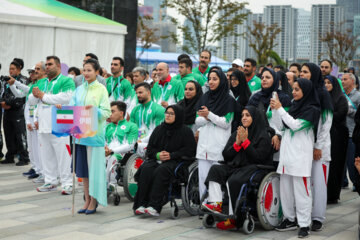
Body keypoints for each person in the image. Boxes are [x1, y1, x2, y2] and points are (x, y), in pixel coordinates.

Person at [202, 106, 273, 230]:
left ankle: (233, 218)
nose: (244, 118)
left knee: (233, 180)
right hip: (236, 166)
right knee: (215, 170)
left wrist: (245, 142)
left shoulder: (263, 135)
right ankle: (216, 204)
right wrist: (237, 144)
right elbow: (226, 155)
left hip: (254, 168)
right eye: (242, 115)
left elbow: (258, 158)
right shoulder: (237, 132)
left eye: (248, 115)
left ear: (255, 117)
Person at [271, 78, 320, 238]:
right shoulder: (293, 106)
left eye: (297, 89)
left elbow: (296, 125)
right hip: (286, 157)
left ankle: (304, 224)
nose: (293, 92)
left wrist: (280, 109)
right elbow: (281, 126)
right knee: (286, 191)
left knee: (302, 192)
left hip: (300, 158)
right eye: (293, 89)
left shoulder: (312, 109)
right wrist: (275, 110)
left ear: (305, 91)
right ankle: (289, 218)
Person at [133, 105, 196, 216]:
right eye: (167, 113)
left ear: (178, 116)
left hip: (176, 161)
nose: (168, 115)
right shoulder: (159, 129)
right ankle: (141, 204)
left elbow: (190, 151)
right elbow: (150, 148)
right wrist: (157, 155)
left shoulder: (186, 131)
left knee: (162, 170)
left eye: (172, 114)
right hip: (158, 160)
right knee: (146, 169)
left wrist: (171, 155)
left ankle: (154, 205)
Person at [68, 58, 111, 214]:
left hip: (94, 137)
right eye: (84, 70)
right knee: (84, 171)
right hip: (80, 135)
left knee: (94, 171)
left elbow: (107, 112)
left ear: (97, 72)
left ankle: (94, 201)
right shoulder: (79, 89)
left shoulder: (101, 89)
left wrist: (94, 109)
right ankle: (86, 200)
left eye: (89, 70)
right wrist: (63, 108)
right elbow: (72, 108)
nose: (86, 73)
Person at [28, 56, 75, 194]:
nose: (47, 67)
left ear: (58, 66)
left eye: (50, 64)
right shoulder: (42, 82)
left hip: (61, 122)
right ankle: (50, 181)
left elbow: (66, 98)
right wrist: (37, 95)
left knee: (63, 155)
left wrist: (43, 96)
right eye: (46, 64)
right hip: (43, 123)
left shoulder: (66, 80)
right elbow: (31, 100)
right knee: (46, 155)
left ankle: (67, 183)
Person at [300, 63, 333, 231]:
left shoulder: (322, 93)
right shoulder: (304, 93)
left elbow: (326, 122)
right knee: (306, 183)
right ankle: (305, 215)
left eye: (305, 72)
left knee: (319, 184)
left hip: (320, 148)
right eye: (301, 72)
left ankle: (318, 217)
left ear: (313, 74)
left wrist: (318, 146)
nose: (302, 74)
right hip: (305, 146)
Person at [195, 67, 236, 199]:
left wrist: (209, 116)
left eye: (215, 79)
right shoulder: (205, 97)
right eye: (209, 79)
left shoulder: (228, 100)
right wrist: (208, 118)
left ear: (222, 81)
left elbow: (226, 122)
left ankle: (215, 206)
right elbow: (197, 120)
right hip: (203, 147)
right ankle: (203, 205)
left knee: (215, 180)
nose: (211, 82)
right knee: (202, 178)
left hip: (219, 147)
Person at [8, 61, 46, 179]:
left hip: (37, 121)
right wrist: (12, 85)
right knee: (32, 147)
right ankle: (35, 167)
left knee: (39, 148)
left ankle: (41, 170)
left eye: (34, 71)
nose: (32, 74)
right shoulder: (31, 85)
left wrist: (16, 82)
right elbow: (19, 94)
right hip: (30, 120)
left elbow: (38, 105)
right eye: (30, 72)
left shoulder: (42, 84)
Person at [248, 67, 292, 163]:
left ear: (275, 80)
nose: (264, 79)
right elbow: (248, 116)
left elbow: (287, 122)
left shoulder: (283, 98)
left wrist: (278, 135)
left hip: (276, 139)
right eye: (262, 77)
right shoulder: (255, 97)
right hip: (257, 139)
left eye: (267, 77)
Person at [324, 75, 349, 204]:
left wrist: (326, 114)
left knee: (336, 164)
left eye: (329, 82)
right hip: (326, 134)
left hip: (338, 136)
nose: (327, 85)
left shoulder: (341, 98)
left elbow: (341, 114)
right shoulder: (322, 98)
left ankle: (333, 194)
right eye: (325, 82)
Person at [0, 59, 29, 166]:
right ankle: (10, 156)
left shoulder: (23, 80)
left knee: (20, 134)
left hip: (18, 111)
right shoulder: (5, 80)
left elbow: (21, 97)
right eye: (10, 69)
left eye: (13, 69)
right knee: (8, 134)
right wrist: (2, 102)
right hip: (7, 112)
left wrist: (8, 103)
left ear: (19, 69)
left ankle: (24, 157)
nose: (10, 71)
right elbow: (2, 93)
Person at [105, 101, 138, 186]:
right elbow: (103, 141)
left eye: (112, 111)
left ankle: (111, 184)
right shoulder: (107, 127)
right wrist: (105, 149)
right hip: (107, 152)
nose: (110, 114)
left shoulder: (132, 126)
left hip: (123, 154)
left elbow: (130, 145)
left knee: (112, 158)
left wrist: (112, 151)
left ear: (121, 113)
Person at [130, 82, 165, 157]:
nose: (138, 95)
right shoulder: (135, 109)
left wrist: (141, 141)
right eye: (136, 93)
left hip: (151, 143)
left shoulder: (159, 109)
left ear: (149, 93)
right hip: (136, 142)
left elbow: (157, 132)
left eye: (140, 92)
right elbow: (131, 129)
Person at [341, 73, 360, 190]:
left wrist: (349, 110)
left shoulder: (358, 96)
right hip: (341, 132)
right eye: (341, 79)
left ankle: (355, 182)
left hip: (352, 133)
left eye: (345, 79)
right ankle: (343, 182)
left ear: (352, 82)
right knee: (340, 160)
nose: (342, 81)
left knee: (351, 160)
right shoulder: (341, 95)